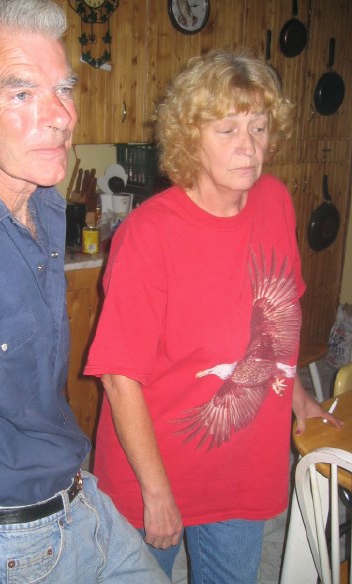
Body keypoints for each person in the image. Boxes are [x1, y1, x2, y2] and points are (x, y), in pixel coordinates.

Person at [0, 0, 170, 584]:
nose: (61, 115)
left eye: (65, 89)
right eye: (22, 93)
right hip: (1, 548)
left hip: (82, 502)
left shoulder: (44, 206)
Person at [84, 49, 342, 584]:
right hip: (153, 475)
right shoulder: (149, 235)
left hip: (243, 471)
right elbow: (119, 375)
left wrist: (299, 398)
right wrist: (157, 494)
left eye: (259, 126)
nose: (248, 147)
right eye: (227, 129)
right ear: (190, 138)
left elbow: (270, 331)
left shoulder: (274, 202)